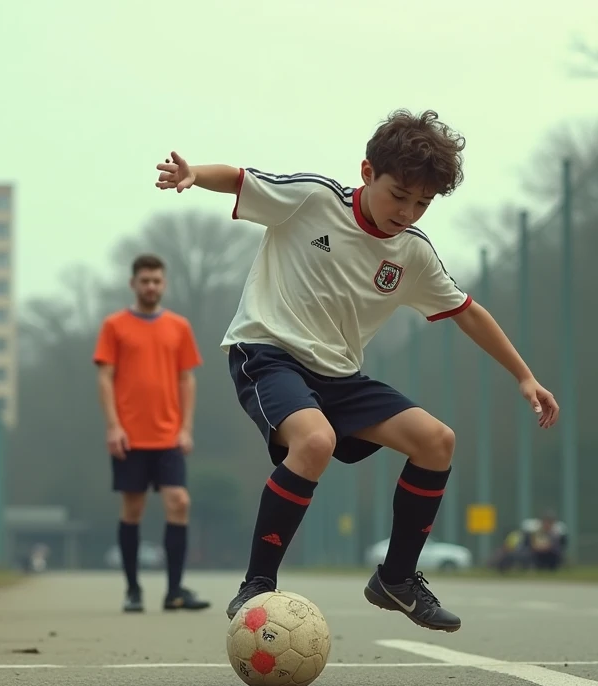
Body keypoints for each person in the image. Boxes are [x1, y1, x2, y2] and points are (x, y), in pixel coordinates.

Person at [153, 109, 559, 633]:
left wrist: (524, 376)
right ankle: (257, 584)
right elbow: (239, 178)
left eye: (423, 203)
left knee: (437, 440)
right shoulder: (314, 199)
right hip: (268, 351)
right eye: (399, 195)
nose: (408, 211)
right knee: (315, 442)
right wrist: (193, 174)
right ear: (367, 173)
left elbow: (468, 312)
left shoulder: (412, 254)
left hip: (339, 375)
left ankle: (396, 578)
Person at [93, 254, 211, 613]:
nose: (150, 286)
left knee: (179, 501)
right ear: (133, 283)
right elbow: (104, 377)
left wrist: (186, 428)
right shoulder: (114, 326)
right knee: (133, 508)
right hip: (130, 436)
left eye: (156, 280)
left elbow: (187, 378)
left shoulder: (179, 327)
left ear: (165, 284)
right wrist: (113, 426)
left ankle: (174, 590)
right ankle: (133, 589)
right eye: (144, 280)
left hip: (169, 437)